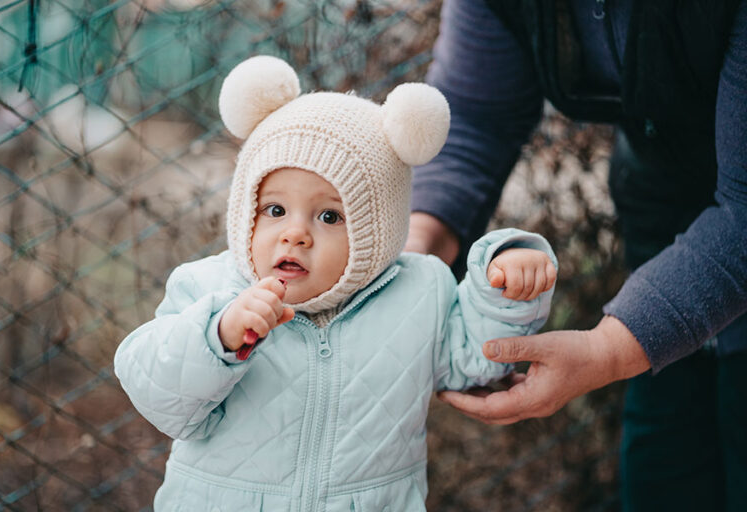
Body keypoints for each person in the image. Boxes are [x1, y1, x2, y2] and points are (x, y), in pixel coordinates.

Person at [113, 55, 558, 511]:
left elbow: (475, 366)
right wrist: (218, 335)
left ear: (376, 228)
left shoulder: (421, 290)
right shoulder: (207, 288)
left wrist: (503, 289)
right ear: (246, 211)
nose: (295, 233)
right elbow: (157, 392)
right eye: (275, 210)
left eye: (329, 216)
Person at [405, 0, 747, 510]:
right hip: (663, 212)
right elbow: (476, 117)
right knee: (664, 473)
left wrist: (608, 351)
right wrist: (414, 250)